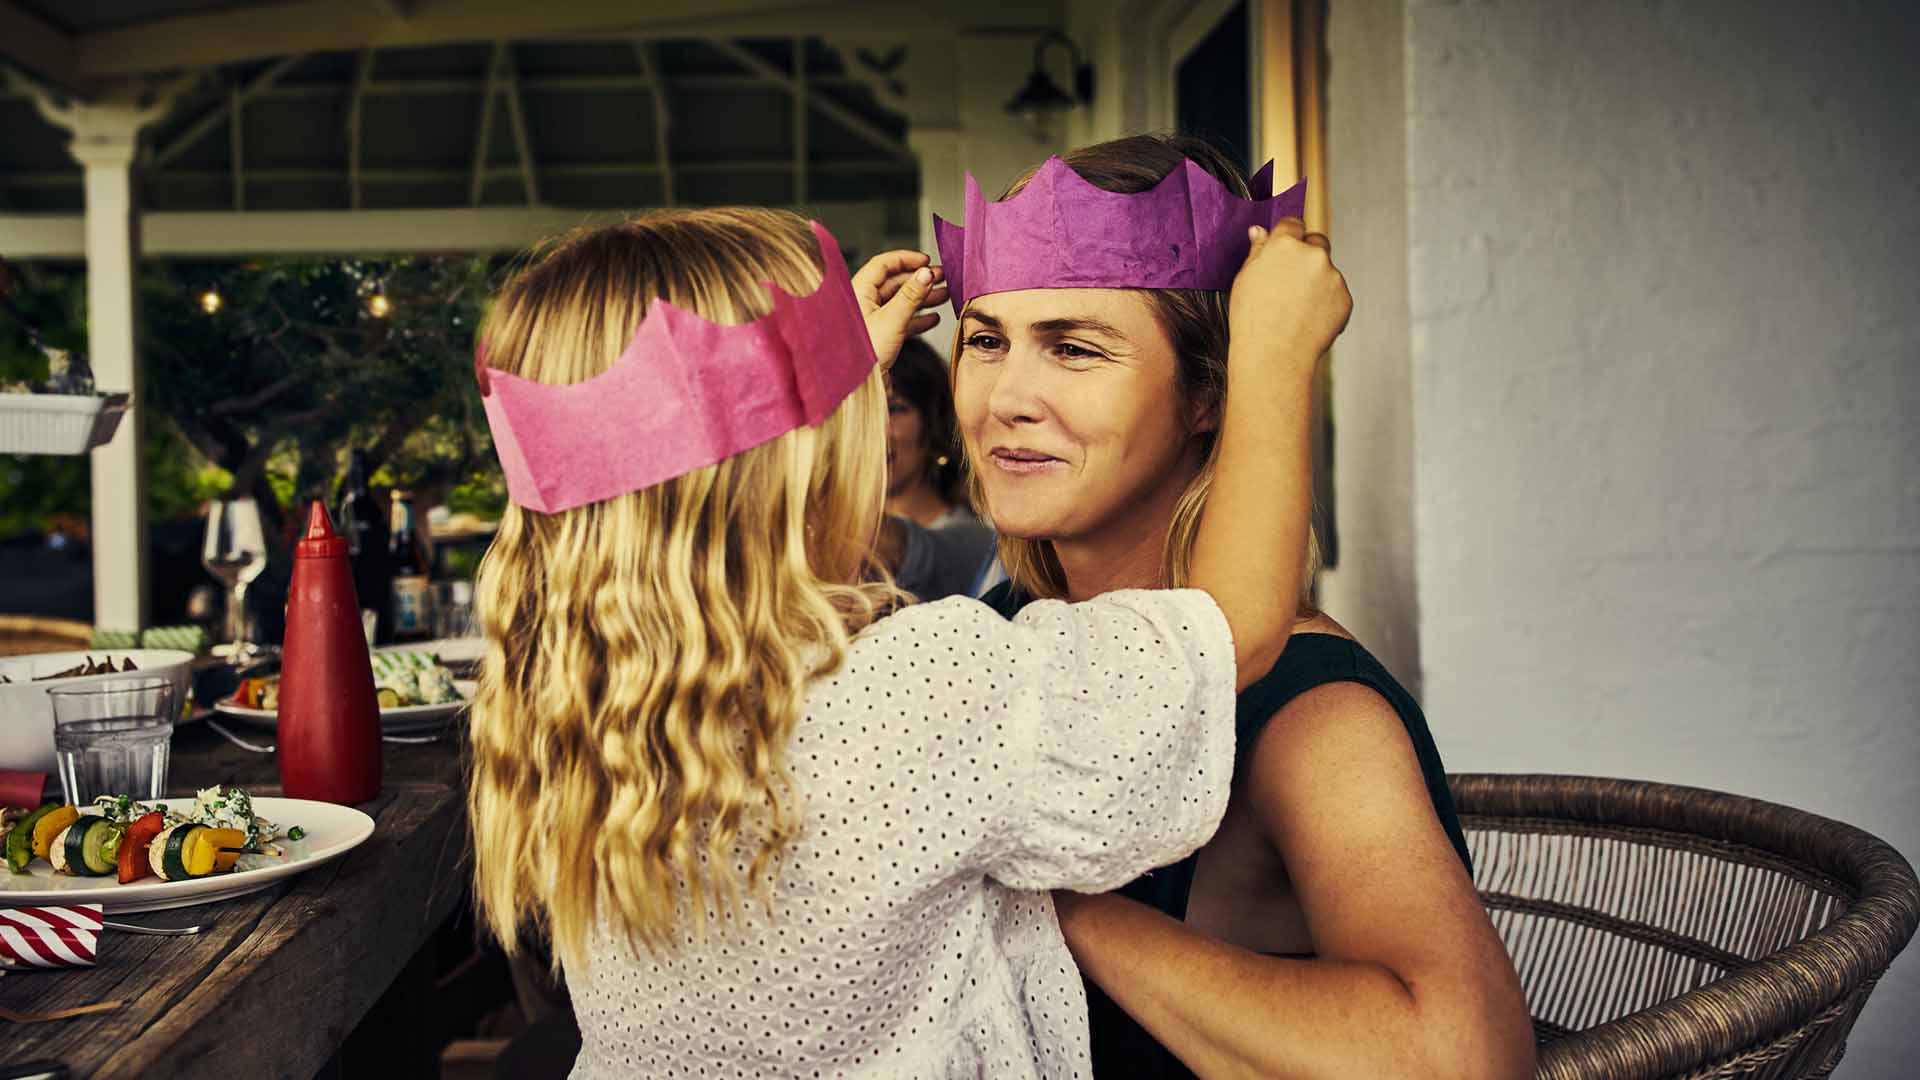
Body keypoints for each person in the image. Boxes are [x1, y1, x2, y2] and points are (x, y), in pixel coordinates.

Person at [465, 204, 1346, 1078]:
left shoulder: (566, 693)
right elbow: (1230, 631)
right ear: (809, 468)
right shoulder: (919, 691)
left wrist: (815, 378)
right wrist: (1270, 360)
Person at [948, 135, 1535, 1078]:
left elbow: (1457, 1055)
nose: (1007, 397)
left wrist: (1045, 900)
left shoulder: (1313, 713)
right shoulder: (1017, 618)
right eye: (987, 341)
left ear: (1210, 395)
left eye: (1074, 348)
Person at [880, 338, 997, 600]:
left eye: (894, 409)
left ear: (934, 423)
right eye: (865, 410)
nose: (876, 428)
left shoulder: (974, 543)